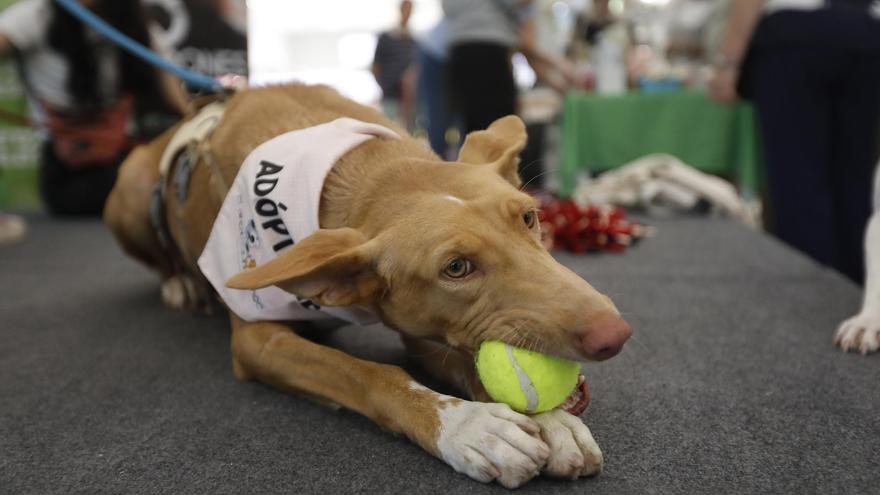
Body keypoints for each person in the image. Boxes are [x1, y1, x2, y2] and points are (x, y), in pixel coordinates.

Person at [709, 0, 880, 282]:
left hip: (796, 37)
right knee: (856, 184)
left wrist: (729, 62)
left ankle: (807, 298)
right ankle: (857, 295)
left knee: (799, 183)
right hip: (865, 34)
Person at [0, 0, 190, 217]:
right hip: (69, 170)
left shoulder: (133, 18)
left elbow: (171, 83)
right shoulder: (37, 14)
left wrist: (193, 122)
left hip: (128, 152)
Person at [443, 0, 579, 136]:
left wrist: (558, 79)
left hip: (459, 48)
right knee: (501, 126)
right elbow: (526, 46)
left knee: (475, 127)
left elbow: (527, 50)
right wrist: (560, 66)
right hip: (488, 50)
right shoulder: (504, 16)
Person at [372, 0, 417, 127]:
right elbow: (375, 67)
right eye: (405, 8)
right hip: (389, 96)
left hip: (409, 99)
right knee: (388, 130)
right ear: (400, 10)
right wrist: (384, 87)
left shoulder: (414, 40)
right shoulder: (385, 38)